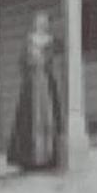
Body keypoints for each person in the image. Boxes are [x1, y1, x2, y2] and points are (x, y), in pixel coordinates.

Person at [8, 10, 64, 172]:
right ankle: (29, 159)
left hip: (47, 81)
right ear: (34, 23)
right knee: (30, 117)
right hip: (31, 84)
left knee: (48, 115)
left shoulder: (53, 41)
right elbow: (21, 63)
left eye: (44, 21)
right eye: (38, 21)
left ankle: (49, 157)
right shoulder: (28, 41)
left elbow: (62, 51)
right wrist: (30, 69)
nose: (41, 24)